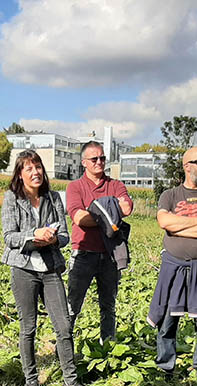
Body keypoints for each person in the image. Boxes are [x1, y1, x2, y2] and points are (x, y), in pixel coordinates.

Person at [1, 150, 96, 386]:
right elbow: (9, 237)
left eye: (38, 167)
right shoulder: (11, 198)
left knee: (64, 326)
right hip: (24, 269)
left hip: (50, 268)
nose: (36, 173)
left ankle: (71, 381)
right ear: (20, 175)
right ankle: (31, 382)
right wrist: (33, 236)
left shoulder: (54, 198)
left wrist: (52, 238)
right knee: (28, 327)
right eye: (29, 169)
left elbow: (65, 235)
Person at [148, 147, 197, 381]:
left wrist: (179, 225)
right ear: (187, 166)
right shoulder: (170, 195)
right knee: (168, 321)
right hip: (174, 267)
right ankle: (165, 368)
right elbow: (164, 221)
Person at [65, 140, 132, 343]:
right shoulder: (75, 187)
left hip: (110, 255)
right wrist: (111, 210)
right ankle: (64, 349)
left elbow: (127, 208)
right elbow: (79, 218)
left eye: (102, 158)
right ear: (84, 162)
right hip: (83, 253)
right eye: (94, 159)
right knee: (72, 306)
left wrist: (95, 209)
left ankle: (108, 348)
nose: (99, 162)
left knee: (108, 306)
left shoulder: (115, 184)